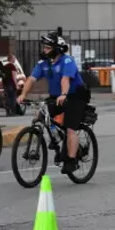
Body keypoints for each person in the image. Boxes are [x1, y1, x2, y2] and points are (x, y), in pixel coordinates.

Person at [18, 33, 89, 175]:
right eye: (44, 47)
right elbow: (31, 79)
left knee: (70, 128)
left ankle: (72, 159)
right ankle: (56, 138)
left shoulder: (67, 61)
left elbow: (65, 79)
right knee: (40, 115)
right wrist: (23, 95)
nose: (44, 50)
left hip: (75, 96)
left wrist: (64, 94)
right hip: (57, 96)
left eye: (47, 48)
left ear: (56, 49)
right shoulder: (43, 64)